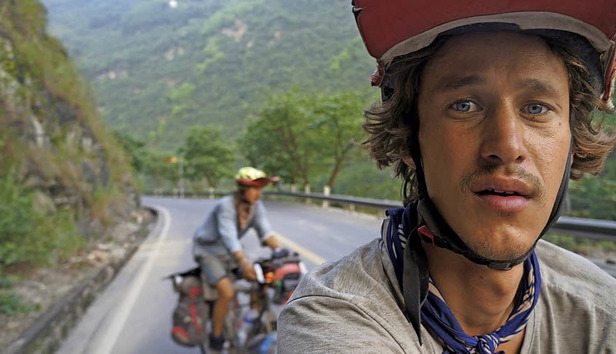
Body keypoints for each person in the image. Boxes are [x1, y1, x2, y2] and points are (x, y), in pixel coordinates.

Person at [277, 1, 616, 353]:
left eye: (536, 108)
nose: (507, 145)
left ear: (572, 142)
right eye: (465, 105)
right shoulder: (334, 320)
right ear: (410, 137)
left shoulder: (603, 315)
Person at [192, 166, 282, 352]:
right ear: (242, 189)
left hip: (229, 252)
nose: (259, 194)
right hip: (208, 251)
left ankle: (249, 322)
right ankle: (216, 338)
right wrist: (242, 262)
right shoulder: (225, 206)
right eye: (255, 189)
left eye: (260, 189)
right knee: (226, 291)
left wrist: (284, 253)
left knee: (259, 279)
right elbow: (229, 237)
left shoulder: (256, 207)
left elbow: (266, 233)